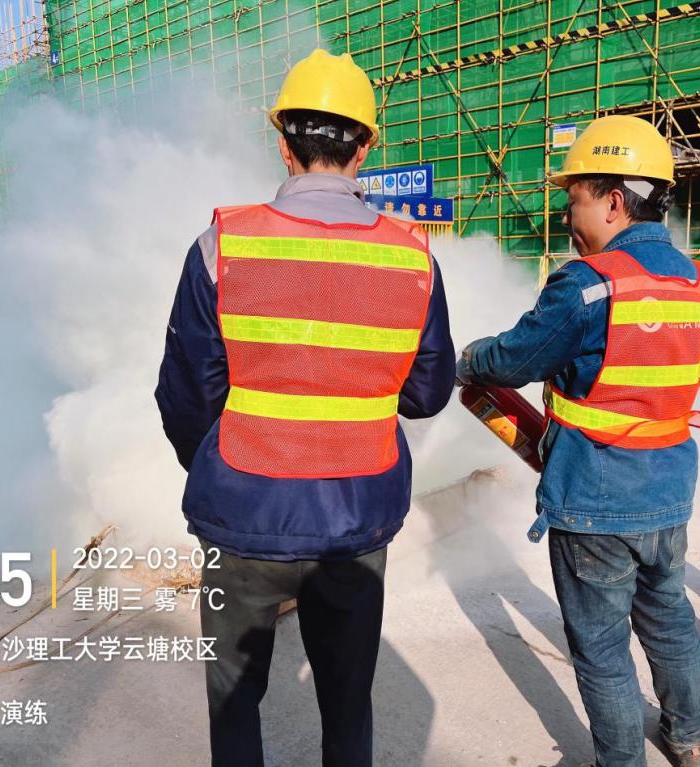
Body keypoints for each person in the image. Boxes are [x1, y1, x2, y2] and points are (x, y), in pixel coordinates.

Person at [154, 49, 455, 767]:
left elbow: (186, 395)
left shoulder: (221, 247)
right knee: (348, 708)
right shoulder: (413, 258)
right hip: (356, 521)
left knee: (234, 705)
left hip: (242, 517)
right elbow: (427, 392)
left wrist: (224, 466)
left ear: (283, 143)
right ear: (366, 147)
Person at [456, 115, 700, 767]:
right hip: (669, 489)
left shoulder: (589, 283)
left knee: (603, 650)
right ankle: (689, 740)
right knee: (670, 619)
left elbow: (514, 359)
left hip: (595, 499)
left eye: (574, 198)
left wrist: (469, 358)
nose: (566, 215)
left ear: (612, 200)